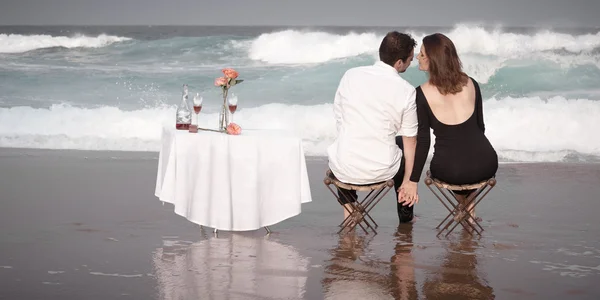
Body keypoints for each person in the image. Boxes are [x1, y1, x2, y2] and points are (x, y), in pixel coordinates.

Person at [327, 31, 420, 224]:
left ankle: (349, 213)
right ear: (399, 63)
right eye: (410, 60)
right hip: (381, 170)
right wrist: (409, 182)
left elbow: (339, 116)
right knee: (402, 143)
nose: (411, 63)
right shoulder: (407, 91)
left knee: (345, 145)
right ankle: (406, 217)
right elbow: (411, 140)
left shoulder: (350, 75)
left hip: (344, 168)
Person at [411, 33, 498, 219]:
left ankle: (465, 209)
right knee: (465, 163)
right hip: (486, 163)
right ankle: (469, 209)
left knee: (455, 168)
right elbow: (480, 127)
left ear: (434, 60)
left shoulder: (421, 93)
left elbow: (423, 141)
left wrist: (413, 181)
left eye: (422, 54)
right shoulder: (472, 83)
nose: (418, 57)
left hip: (451, 171)